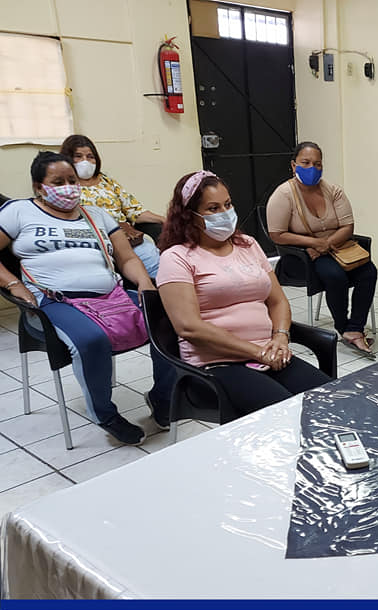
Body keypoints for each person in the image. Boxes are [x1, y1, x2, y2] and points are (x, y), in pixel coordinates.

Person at [0, 151, 173, 445]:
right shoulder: (19, 212)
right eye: (58, 182)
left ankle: (163, 398)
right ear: (39, 187)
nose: (68, 187)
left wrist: (145, 283)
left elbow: (127, 258)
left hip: (112, 296)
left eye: (72, 180)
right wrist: (14, 284)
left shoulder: (97, 215)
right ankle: (105, 414)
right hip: (55, 302)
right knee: (91, 340)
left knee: (167, 321)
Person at [157, 170, 331, 417]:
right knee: (287, 414)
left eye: (227, 204)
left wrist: (280, 338)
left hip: (269, 353)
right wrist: (256, 352)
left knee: (330, 400)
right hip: (216, 365)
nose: (225, 213)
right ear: (190, 215)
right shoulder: (176, 257)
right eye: (213, 208)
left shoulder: (248, 244)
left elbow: (278, 301)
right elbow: (189, 327)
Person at [265, 142, 377, 356]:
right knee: (335, 275)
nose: (312, 168)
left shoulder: (332, 190)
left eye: (317, 164)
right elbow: (277, 234)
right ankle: (343, 327)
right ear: (293, 165)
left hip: (337, 248)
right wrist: (314, 243)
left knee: (369, 272)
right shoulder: (284, 194)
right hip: (303, 256)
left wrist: (326, 243)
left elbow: (348, 226)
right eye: (305, 163)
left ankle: (355, 327)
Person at [59, 134, 166, 278]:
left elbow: (135, 210)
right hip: (93, 242)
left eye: (90, 157)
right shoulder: (64, 187)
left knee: (157, 267)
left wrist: (163, 219)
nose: (85, 161)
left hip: (126, 237)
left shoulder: (106, 182)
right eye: (78, 156)